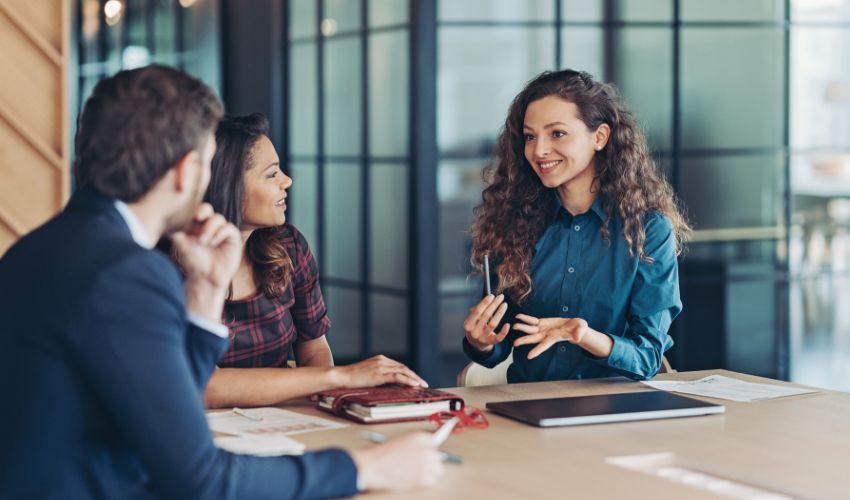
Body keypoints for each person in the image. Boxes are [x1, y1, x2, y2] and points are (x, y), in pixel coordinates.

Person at [0, 65, 442, 499]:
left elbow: (177, 404)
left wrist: (206, 291)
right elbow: (201, 480)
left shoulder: (29, 252)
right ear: (185, 170)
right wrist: (364, 467)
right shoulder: (127, 273)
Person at [462, 69, 690, 383]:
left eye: (557, 134)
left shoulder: (649, 229)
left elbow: (648, 357)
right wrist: (482, 342)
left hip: (617, 407)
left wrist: (583, 335)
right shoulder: (513, 224)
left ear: (600, 137)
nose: (539, 150)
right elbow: (500, 343)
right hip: (530, 404)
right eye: (530, 137)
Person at [200, 113, 426, 408]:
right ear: (228, 185)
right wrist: (340, 377)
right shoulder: (174, 265)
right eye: (272, 174)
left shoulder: (289, 246)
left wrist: (325, 391)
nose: (287, 180)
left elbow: (314, 349)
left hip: (284, 417)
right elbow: (205, 386)